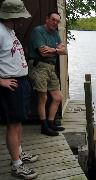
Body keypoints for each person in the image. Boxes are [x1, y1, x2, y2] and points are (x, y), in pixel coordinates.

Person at [0, 0, 38, 179]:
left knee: (19, 122)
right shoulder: (0, 32)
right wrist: (1, 81)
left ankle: (19, 154)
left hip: (20, 82)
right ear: (12, 16)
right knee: (13, 124)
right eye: (20, 16)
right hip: (10, 84)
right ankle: (16, 166)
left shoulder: (10, 31)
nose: (23, 20)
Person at [28, 12, 67, 136]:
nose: (55, 23)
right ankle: (44, 126)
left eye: (57, 21)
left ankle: (50, 123)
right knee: (43, 97)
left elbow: (64, 51)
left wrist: (53, 50)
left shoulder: (55, 34)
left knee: (57, 97)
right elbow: (43, 53)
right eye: (53, 19)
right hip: (39, 66)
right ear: (47, 19)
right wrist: (57, 50)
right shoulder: (38, 31)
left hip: (51, 67)